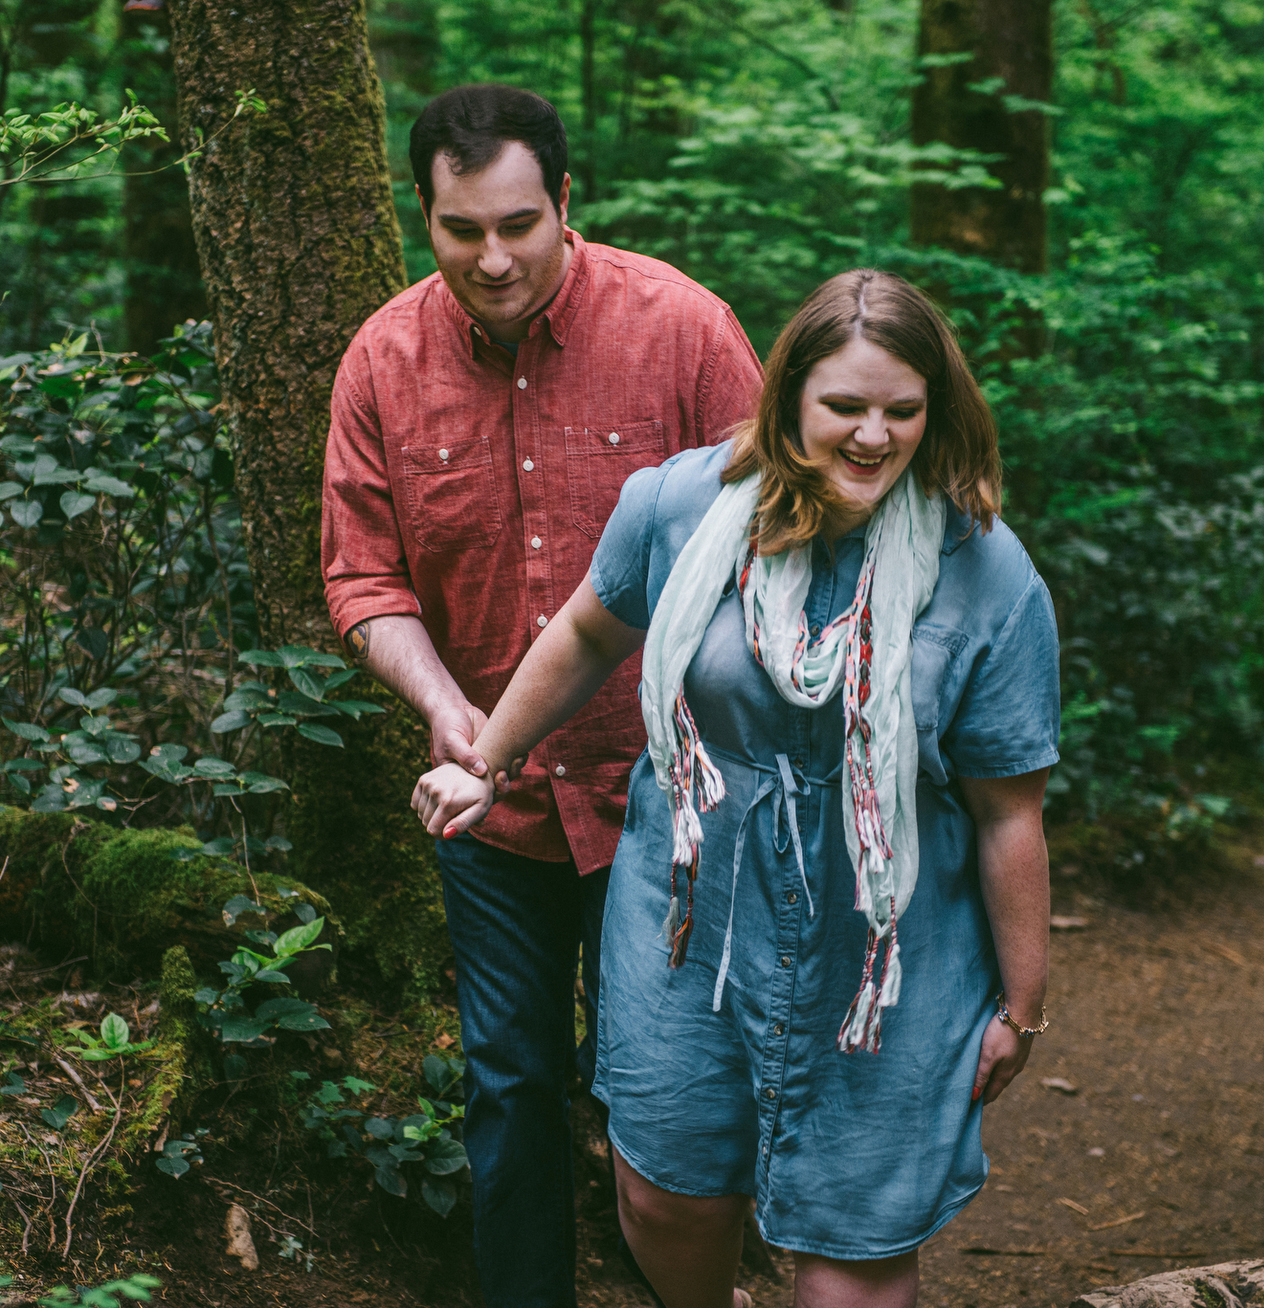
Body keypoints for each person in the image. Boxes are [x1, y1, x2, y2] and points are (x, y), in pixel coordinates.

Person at [412, 269, 1059, 1307]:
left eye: (902, 411)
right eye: (843, 407)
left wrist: (1021, 1006)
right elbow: (587, 628)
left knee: (851, 1248)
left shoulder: (983, 569)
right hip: (689, 905)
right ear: (788, 396)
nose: (871, 436)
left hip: (884, 944)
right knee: (664, 1193)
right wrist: (487, 757)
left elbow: (1006, 810)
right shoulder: (678, 506)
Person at [320, 84, 764, 1307]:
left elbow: (784, 544)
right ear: (425, 219)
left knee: (666, 1081)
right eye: (461, 230)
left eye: (519, 222)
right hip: (493, 801)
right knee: (510, 1081)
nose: (493, 256)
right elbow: (362, 574)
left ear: (568, 203)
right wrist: (437, 703)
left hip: (674, 794)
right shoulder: (382, 360)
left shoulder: (682, 330)